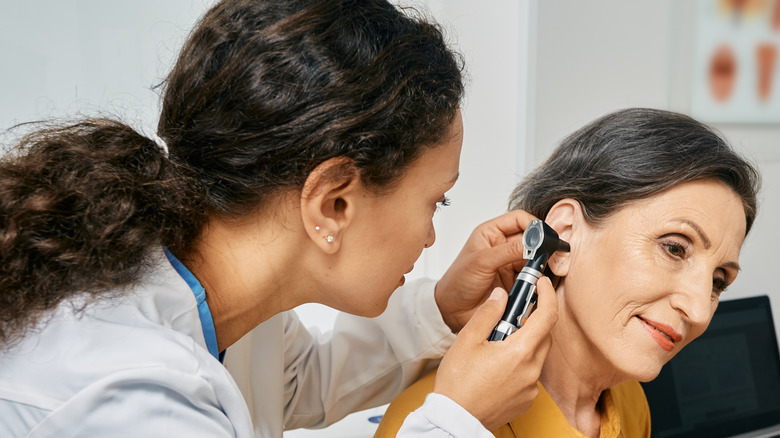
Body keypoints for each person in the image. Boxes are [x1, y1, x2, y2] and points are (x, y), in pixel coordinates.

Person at [0, 1, 558, 437]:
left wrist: (440, 310)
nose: (433, 234)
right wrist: (456, 422)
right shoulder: (131, 396)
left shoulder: (223, 302)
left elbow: (294, 383)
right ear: (332, 202)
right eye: (437, 201)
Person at [374, 107, 761, 438]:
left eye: (717, 282)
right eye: (674, 248)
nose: (699, 310)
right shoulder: (440, 420)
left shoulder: (628, 402)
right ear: (566, 238)